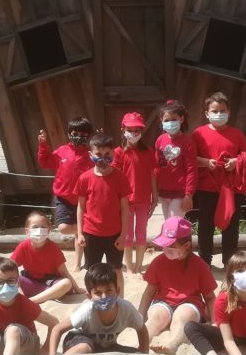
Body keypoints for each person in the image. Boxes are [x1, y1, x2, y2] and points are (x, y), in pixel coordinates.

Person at [192, 92, 246, 268]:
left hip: (231, 188)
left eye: (222, 110)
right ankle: (205, 262)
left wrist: (236, 161)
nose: (218, 114)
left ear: (229, 112)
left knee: (231, 226)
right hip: (207, 187)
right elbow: (190, 158)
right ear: (207, 113)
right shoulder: (198, 133)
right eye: (214, 111)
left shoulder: (236, 134)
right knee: (206, 226)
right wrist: (206, 162)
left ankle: (229, 262)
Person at [138, 216, 216, 355]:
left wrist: (215, 322)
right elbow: (149, 291)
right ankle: (140, 344)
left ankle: (172, 345)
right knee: (156, 316)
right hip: (163, 302)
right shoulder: (159, 261)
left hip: (190, 303)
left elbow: (210, 297)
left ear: (186, 246)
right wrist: (140, 315)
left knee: (182, 317)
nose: (167, 249)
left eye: (172, 246)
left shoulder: (199, 265)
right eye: (165, 245)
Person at [48, 263, 149, 355]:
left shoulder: (126, 309)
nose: (104, 297)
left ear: (117, 291)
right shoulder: (87, 310)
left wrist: (144, 354)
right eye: (98, 293)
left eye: (109, 291)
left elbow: (142, 330)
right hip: (78, 341)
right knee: (85, 348)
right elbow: (57, 329)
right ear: (89, 296)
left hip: (105, 348)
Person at [75, 132, 130, 295]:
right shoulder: (84, 178)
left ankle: (120, 301)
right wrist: (80, 234)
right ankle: (93, 299)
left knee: (116, 269)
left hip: (114, 234)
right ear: (90, 154)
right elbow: (80, 207)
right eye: (98, 154)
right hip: (91, 233)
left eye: (107, 154)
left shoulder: (120, 177)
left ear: (113, 153)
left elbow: (125, 208)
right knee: (92, 271)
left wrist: (123, 235)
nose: (103, 158)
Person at [0, 258, 59, 355]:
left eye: (11, 281)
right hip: (1, 344)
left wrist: (47, 349)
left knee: (13, 330)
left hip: (25, 347)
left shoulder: (24, 303)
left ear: (18, 283)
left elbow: (54, 322)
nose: (5, 286)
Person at [38, 116, 93, 270]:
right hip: (63, 198)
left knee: (78, 235)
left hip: (84, 199)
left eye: (83, 135)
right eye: (75, 134)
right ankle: (87, 228)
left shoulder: (90, 155)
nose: (79, 137)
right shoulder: (62, 151)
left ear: (88, 136)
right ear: (69, 134)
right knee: (63, 228)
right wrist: (43, 145)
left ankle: (77, 264)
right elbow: (45, 162)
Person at [114, 111, 157, 275]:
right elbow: (116, 178)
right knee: (127, 234)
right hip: (125, 200)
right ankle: (130, 268)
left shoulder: (148, 151)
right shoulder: (118, 152)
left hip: (144, 199)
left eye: (137, 130)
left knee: (141, 233)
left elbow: (152, 175)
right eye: (130, 130)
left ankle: (138, 267)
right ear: (123, 130)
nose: (133, 133)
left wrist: (155, 197)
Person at [11, 211, 77, 303]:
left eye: (43, 227)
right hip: (30, 282)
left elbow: (64, 272)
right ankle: (25, 299)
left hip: (50, 284)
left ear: (48, 230)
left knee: (67, 283)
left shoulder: (54, 248)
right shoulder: (23, 246)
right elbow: (9, 267)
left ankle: (32, 301)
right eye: (35, 227)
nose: (39, 230)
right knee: (11, 279)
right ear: (27, 231)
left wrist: (77, 288)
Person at [154, 99, 197, 219]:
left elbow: (192, 170)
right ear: (161, 121)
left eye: (174, 119)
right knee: (168, 223)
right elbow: (157, 166)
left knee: (173, 224)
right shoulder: (160, 140)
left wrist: (188, 195)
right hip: (164, 191)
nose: (170, 123)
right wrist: (154, 190)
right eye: (167, 120)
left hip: (180, 192)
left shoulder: (188, 142)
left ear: (181, 119)